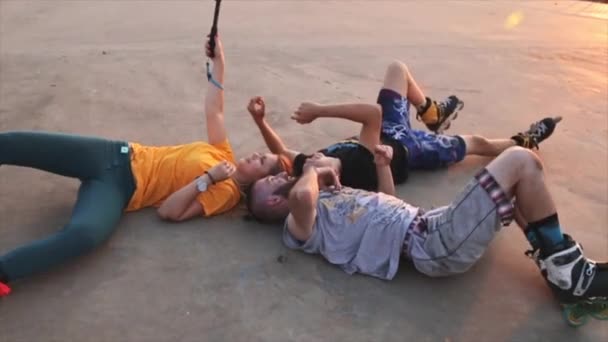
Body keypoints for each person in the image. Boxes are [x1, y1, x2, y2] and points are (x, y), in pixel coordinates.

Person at [0, 36, 284, 296]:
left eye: (262, 162)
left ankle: (5, 272)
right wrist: (219, 62)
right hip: (114, 153)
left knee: (84, 235)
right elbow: (215, 110)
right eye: (261, 154)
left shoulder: (226, 193)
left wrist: (209, 178)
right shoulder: (223, 152)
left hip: (121, 189)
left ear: (260, 180)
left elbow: (169, 212)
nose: (255, 155)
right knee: (12, 143)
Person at [246, 146, 607, 326]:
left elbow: (392, 204)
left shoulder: (328, 195)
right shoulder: (297, 226)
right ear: (273, 204)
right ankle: (570, 275)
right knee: (519, 160)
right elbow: (301, 196)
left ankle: (560, 267)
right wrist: (312, 169)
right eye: (268, 185)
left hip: (429, 224)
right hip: (430, 246)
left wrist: (382, 167)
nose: (276, 177)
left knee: (521, 179)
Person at [247, 60, 560, 195]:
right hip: (413, 149)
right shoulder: (358, 164)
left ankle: (432, 112)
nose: (311, 156)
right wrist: (319, 111)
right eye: (271, 172)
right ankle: (522, 142)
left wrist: (261, 122)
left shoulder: (310, 166)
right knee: (478, 144)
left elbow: (283, 153)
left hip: (388, 129)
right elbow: (372, 113)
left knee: (397, 69)